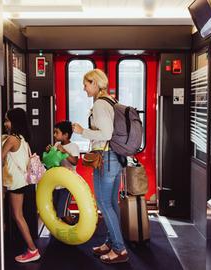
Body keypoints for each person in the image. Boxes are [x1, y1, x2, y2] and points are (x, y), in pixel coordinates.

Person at [72, 69, 129, 264]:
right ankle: (111, 242)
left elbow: (106, 134)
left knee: (104, 204)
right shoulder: (111, 101)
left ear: (95, 84)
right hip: (114, 157)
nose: (84, 88)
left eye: (86, 84)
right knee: (111, 203)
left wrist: (82, 131)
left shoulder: (99, 104)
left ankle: (120, 250)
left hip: (106, 157)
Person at [2, 108, 40, 263]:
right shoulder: (22, 138)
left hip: (15, 182)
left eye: (7, 120)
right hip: (20, 181)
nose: (5, 123)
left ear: (14, 122)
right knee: (16, 215)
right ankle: (31, 249)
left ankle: (32, 250)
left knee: (18, 216)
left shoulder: (12, 139)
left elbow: (0, 157)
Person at [46, 120, 80, 225]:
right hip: (57, 183)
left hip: (68, 184)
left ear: (65, 135)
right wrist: (50, 152)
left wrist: (64, 151)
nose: (54, 135)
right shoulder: (56, 144)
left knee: (62, 210)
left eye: (57, 132)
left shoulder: (73, 146)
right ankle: (70, 220)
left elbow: (74, 162)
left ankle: (73, 227)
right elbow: (54, 161)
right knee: (57, 207)